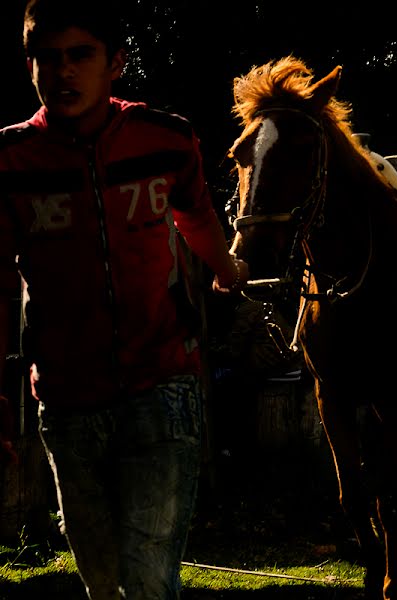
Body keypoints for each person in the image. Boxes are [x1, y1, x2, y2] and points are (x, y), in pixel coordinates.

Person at [0, 0, 248, 597]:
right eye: (47, 58)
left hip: (163, 384)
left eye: (81, 56)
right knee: (101, 574)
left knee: (149, 579)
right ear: (29, 65)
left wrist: (225, 269)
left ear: (116, 64)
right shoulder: (8, 161)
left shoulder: (166, 138)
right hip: (66, 397)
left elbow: (196, 215)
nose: (63, 72)